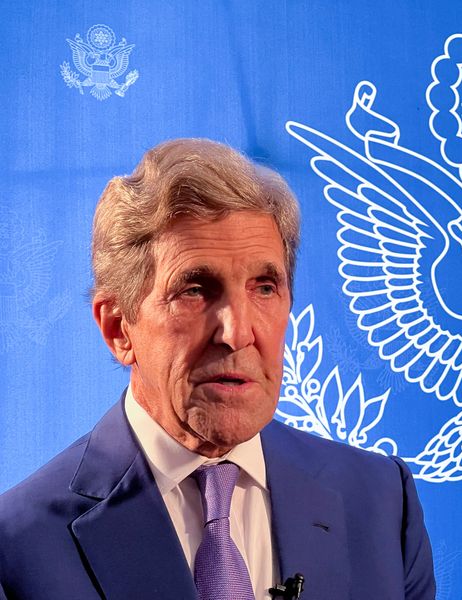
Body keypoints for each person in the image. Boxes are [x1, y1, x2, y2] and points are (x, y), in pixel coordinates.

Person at [0, 139, 435, 600]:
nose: (237, 331)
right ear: (118, 329)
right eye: (195, 290)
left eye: (264, 288)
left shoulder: (382, 504)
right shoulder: (18, 550)